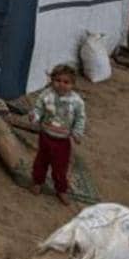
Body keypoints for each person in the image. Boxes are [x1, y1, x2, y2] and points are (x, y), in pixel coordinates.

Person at [27, 63, 87, 206]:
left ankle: (61, 189)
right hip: (46, 136)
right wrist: (34, 116)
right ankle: (37, 182)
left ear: (73, 84)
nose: (61, 85)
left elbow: (80, 118)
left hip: (63, 141)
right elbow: (38, 109)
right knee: (41, 161)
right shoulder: (46, 95)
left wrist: (77, 133)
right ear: (52, 80)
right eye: (58, 80)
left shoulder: (77, 101)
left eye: (66, 82)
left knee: (60, 167)